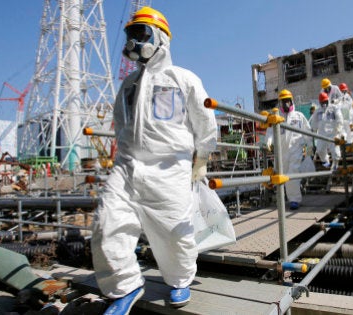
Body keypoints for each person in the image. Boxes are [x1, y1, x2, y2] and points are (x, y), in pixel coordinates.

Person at [91, 7, 217, 314]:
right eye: (131, 34)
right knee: (107, 223)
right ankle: (126, 285)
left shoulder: (182, 78)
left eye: (141, 34)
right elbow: (121, 124)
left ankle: (179, 280)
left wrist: (201, 159)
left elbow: (205, 122)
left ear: (160, 38)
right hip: (128, 166)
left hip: (169, 167)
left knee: (175, 231)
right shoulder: (128, 85)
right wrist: (120, 157)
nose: (134, 41)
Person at [265, 89, 312, 210]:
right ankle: (283, 198)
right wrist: (268, 141)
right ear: (280, 103)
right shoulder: (276, 117)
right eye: (283, 101)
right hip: (281, 152)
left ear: (291, 101)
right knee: (281, 175)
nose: (286, 104)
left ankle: (294, 200)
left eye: (288, 101)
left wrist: (310, 146)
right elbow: (270, 132)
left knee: (293, 173)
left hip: (295, 150)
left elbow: (307, 131)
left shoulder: (299, 117)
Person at [310, 92, 344, 170]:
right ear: (320, 102)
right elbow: (314, 123)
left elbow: (340, 118)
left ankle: (335, 164)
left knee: (335, 151)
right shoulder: (317, 111)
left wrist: (339, 128)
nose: (324, 104)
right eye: (322, 102)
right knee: (320, 150)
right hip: (322, 135)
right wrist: (314, 130)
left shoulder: (334, 108)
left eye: (325, 101)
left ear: (327, 100)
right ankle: (326, 162)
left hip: (333, 134)